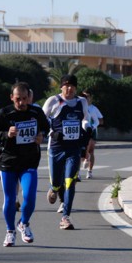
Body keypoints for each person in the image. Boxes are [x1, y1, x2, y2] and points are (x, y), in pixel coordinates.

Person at [0, 82, 50, 247]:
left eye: (24, 99)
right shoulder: (4, 113)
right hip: (9, 160)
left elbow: (47, 127)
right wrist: (6, 134)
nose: (22, 103)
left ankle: (23, 223)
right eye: (18, 99)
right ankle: (10, 231)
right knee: (10, 199)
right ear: (11, 98)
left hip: (29, 161)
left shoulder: (36, 112)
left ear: (29, 97)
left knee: (29, 196)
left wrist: (41, 135)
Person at [42, 74, 92, 230]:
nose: (69, 88)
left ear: (76, 88)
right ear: (61, 87)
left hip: (73, 148)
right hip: (56, 147)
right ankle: (55, 188)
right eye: (66, 85)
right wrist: (51, 132)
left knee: (70, 181)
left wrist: (86, 126)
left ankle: (66, 217)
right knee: (57, 181)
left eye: (72, 86)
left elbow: (84, 118)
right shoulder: (53, 101)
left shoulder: (81, 102)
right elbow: (41, 120)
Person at [82, 90, 104, 180]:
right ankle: (77, 172)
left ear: (90, 98)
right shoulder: (79, 107)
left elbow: (101, 120)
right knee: (81, 151)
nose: (86, 98)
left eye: (87, 96)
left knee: (90, 150)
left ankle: (89, 171)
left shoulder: (94, 108)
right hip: (81, 131)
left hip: (92, 131)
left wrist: (93, 125)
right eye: (84, 96)